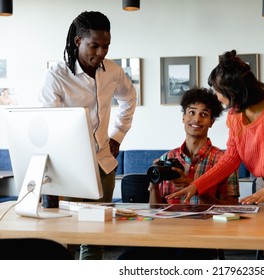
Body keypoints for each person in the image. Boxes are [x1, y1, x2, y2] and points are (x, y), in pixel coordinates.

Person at [39, 11, 137, 259]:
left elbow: (129, 98)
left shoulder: (113, 71)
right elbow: (50, 126)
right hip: (69, 169)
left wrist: (117, 134)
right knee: (67, 237)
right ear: (78, 41)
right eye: (95, 45)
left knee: (95, 237)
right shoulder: (57, 77)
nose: (101, 52)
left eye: (106, 46)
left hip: (104, 164)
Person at [167, 50, 264, 206]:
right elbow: (231, 158)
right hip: (262, 184)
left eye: (218, 92)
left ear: (233, 93)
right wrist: (197, 186)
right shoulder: (235, 115)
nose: (217, 97)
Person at [118, 87, 239, 260]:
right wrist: (153, 187)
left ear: (212, 121)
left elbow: (233, 209)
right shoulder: (167, 159)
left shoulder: (224, 161)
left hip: (204, 235)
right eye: (191, 112)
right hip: (166, 234)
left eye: (204, 114)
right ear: (183, 117)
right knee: (126, 261)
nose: (196, 119)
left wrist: (195, 188)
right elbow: (155, 210)